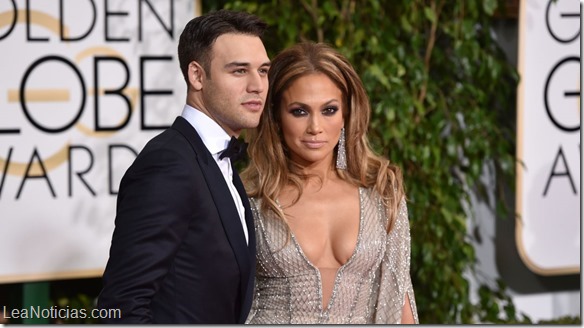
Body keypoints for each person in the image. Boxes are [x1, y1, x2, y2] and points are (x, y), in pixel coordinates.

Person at [97, 9, 270, 324]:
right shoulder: (169, 164)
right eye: (239, 71)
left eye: (263, 70)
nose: (257, 85)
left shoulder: (217, 159)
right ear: (197, 76)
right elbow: (121, 307)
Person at [241, 42, 419, 324]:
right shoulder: (250, 197)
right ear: (275, 116)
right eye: (299, 111)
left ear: (346, 114)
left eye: (329, 110)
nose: (315, 127)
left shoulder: (382, 192)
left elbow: (398, 298)